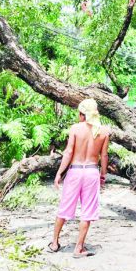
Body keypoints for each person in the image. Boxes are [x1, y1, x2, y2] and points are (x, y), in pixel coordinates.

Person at [49, 99, 110, 257]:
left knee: (64, 207)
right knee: (87, 211)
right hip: (91, 172)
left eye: (79, 113)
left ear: (83, 115)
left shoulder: (75, 128)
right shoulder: (104, 131)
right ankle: (78, 248)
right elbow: (104, 155)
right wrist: (103, 174)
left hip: (75, 171)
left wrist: (59, 173)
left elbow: (68, 152)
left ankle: (55, 243)